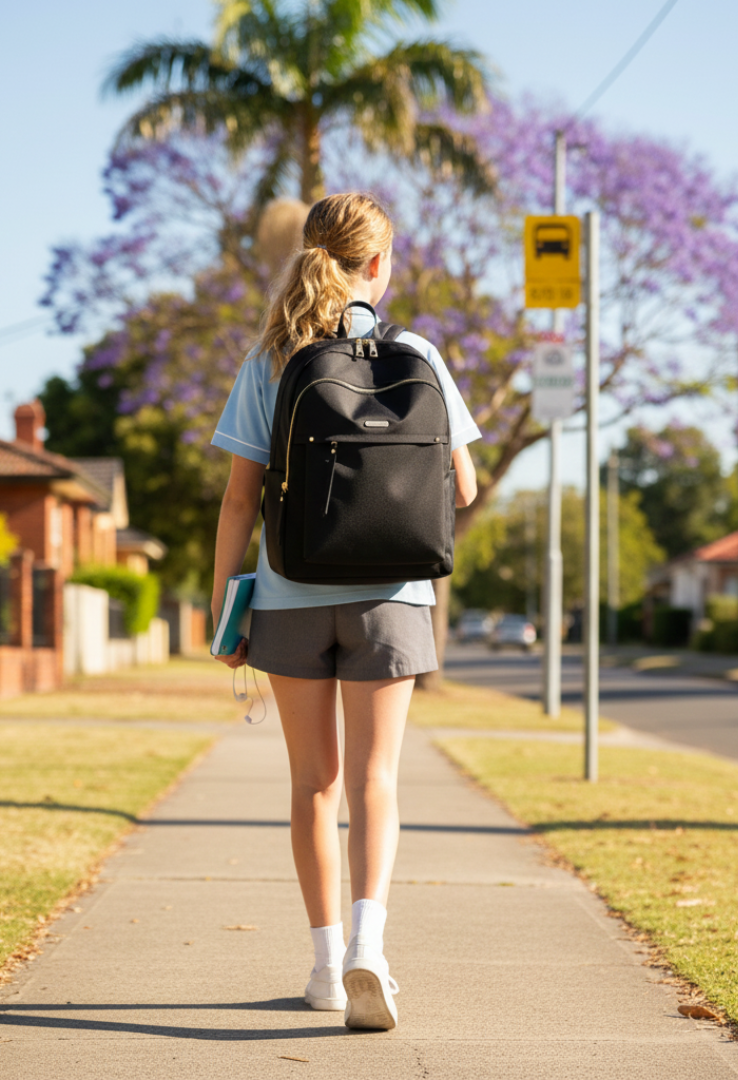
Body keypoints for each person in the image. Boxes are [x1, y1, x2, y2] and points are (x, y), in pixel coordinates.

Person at [210, 192, 479, 1030]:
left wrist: (225, 611)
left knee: (312, 786)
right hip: (391, 599)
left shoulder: (272, 358)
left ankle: (326, 966)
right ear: (377, 264)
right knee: (376, 781)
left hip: (290, 594)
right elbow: (463, 486)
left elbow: (239, 500)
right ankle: (371, 945)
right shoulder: (418, 353)